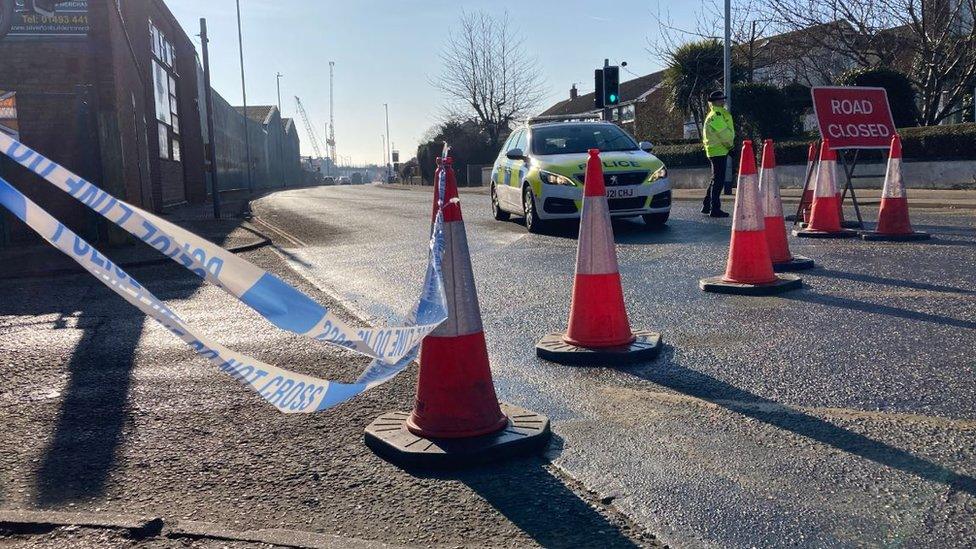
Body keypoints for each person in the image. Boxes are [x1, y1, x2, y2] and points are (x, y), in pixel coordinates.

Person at [701, 90, 735, 217]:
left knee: (715, 179)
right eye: (721, 99)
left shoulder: (713, 114)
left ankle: (706, 205)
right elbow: (723, 133)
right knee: (719, 180)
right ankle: (714, 209)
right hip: (719, 150)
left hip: (715, 149)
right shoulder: (717, 114)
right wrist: (730, 147)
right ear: (715, 102)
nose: (723, 101)